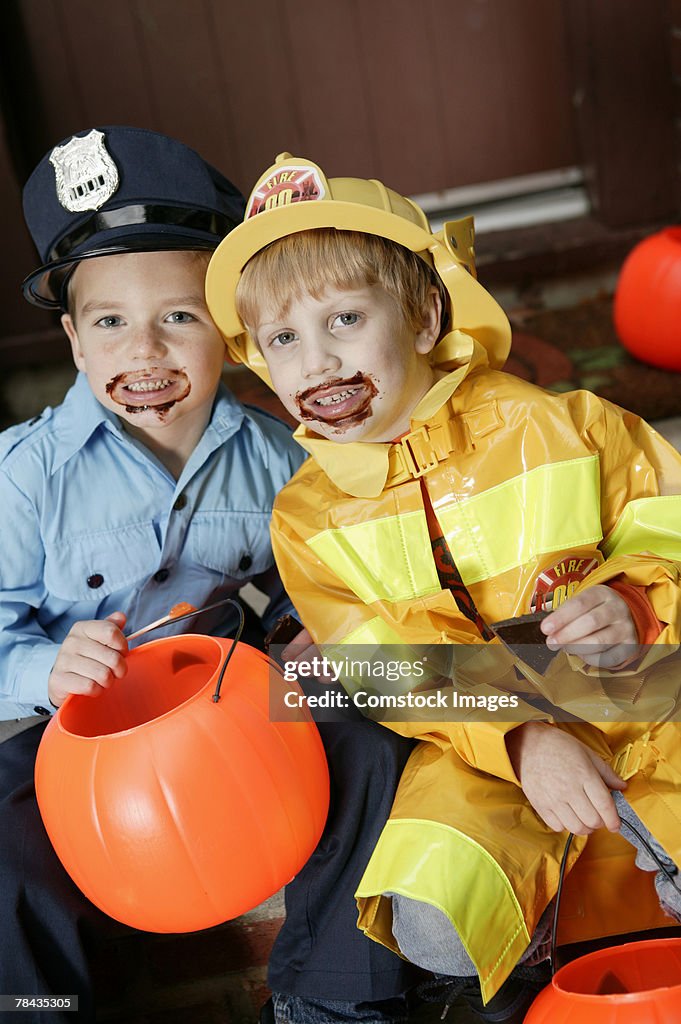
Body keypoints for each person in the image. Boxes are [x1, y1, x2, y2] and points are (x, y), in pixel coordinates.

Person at [205, 151, 681, 1023]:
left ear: (423, 317)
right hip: (478, 744)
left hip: (642, 694)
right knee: (435, 913)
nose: (316, 360)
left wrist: (633, 595)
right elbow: (385, 668)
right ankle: (525, 967)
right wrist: (523, 741)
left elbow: (666, 519)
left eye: (344, 318)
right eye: (282, 339)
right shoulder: (306, 520)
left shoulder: (554, 424)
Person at [0, 129, 421, 1023]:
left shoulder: (282, 460)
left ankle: (331, 1001)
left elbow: (316, 582)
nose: (143, 350)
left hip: (236, 715)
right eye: (110, 321)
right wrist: (46, 669)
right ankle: (35, 1010)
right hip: (73, 743)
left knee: (376, 736)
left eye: (179, 317)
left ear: (227, 335)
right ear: (75, 340)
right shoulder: (23, 477)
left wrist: (319, 633)